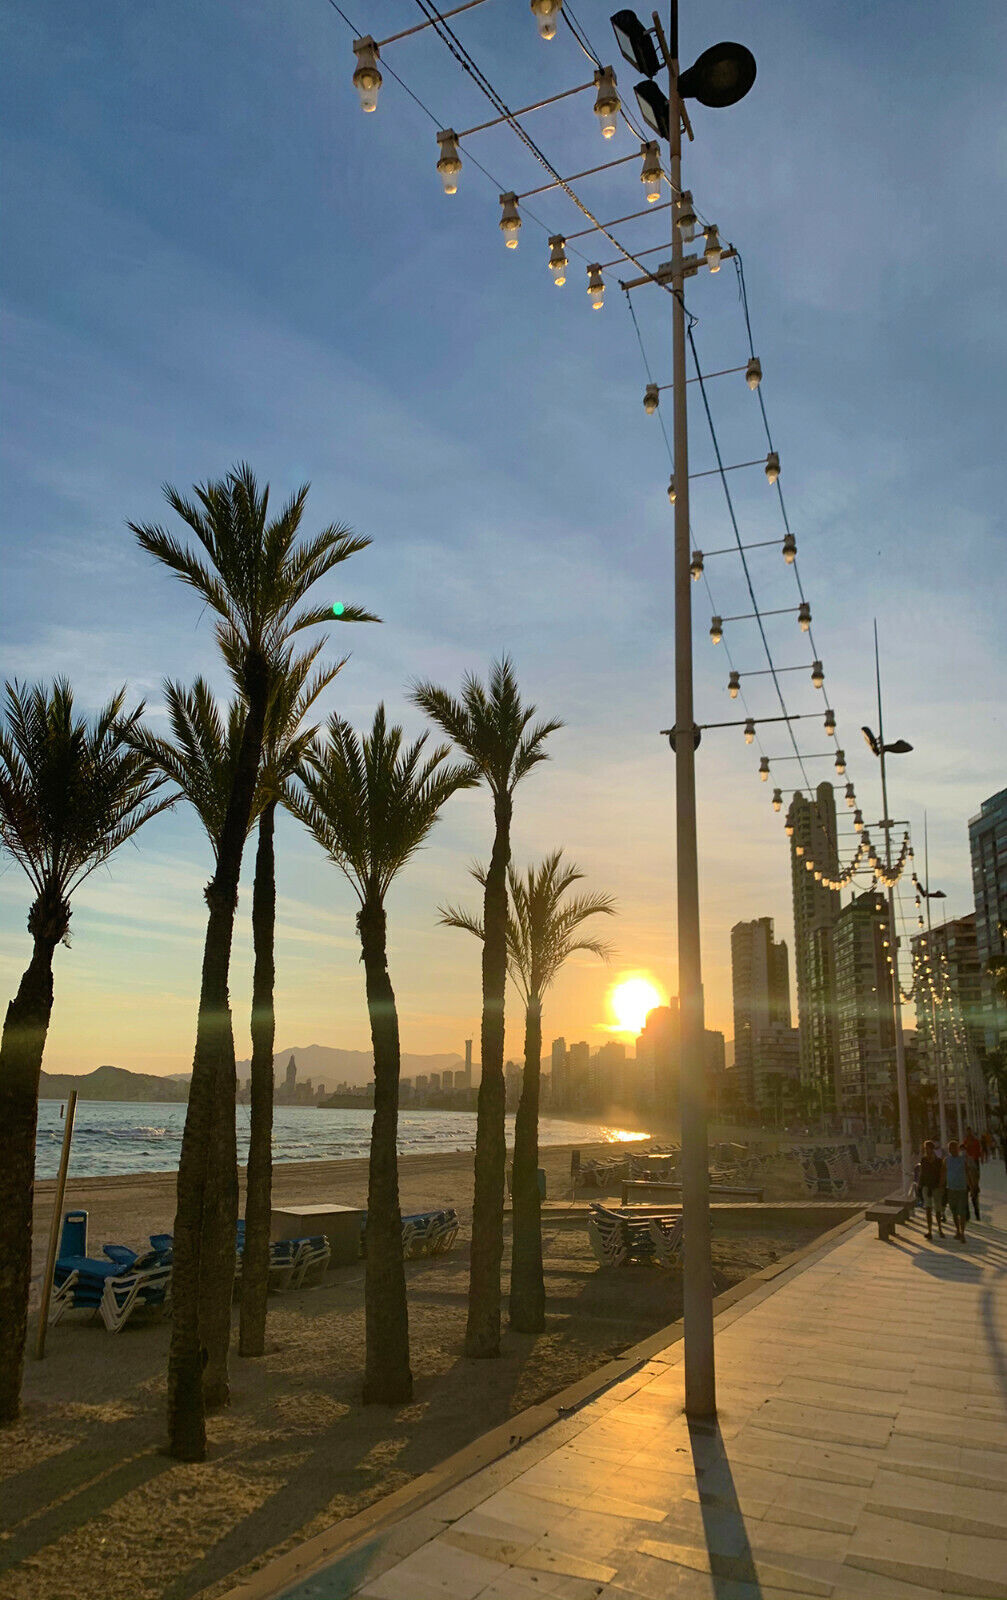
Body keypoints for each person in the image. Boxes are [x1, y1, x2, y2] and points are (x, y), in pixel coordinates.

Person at [943, 1140, 969, 1242]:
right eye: (950, 1149)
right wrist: (941, 1186)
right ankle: (958, 1230)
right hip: (951, 1188)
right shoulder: (946, 1160)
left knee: (962, 1211)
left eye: (954, 1148)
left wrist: (972, 1186)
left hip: (962, 1188)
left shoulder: (963, 1160)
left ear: (957, 1149)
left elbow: (968, 1172)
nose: (952, 1150)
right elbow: (943, 1174)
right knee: (954, 1211)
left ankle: (962, 1232)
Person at [918, 1140, 944, 1240]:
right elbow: (922, 1173)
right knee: (928, 1209)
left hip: (936, 1187)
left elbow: (941, 1174)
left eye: (928, 1148)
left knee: (938, 1209)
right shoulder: (923, 1160)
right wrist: (920, 1186)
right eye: (925, 1149)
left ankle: (940, 1229)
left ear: (932, 1149)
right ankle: (929, 1230)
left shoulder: (938, 1161)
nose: (926, 1150)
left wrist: (941, 1185)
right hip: (926, 1186)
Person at [964, 1146, 981, 1221]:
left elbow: (976, 1172)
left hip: (972, 1182)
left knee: (974, 1199)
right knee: (965, 1199)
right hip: (964, 1182)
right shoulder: (959, 1160)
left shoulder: (970, 1159)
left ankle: (977, 1214)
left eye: (963, 1150)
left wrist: (975, 1184)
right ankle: (967, 1215)